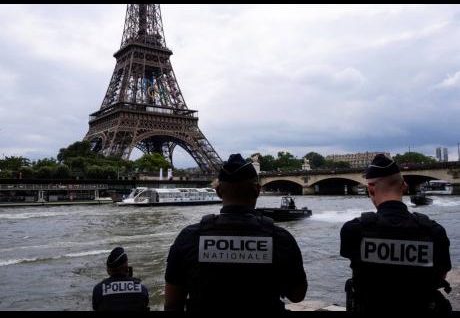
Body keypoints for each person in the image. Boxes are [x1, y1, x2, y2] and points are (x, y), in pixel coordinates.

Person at [164, 153, 308, 312]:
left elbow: (172, 304)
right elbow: (297, 295)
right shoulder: (280, 238)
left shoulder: (189, 237)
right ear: (257, 190)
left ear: (218, 191)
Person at [340, 154, 452, 313]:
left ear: (370, 189)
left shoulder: (353, 230)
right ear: (404, 186)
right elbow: (440, 276)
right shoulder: (434, 232)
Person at [92, 247, 149, 311]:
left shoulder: (98, 290)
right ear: (127, 267)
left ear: (108, 270)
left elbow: (95, 307)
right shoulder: (141, 289)